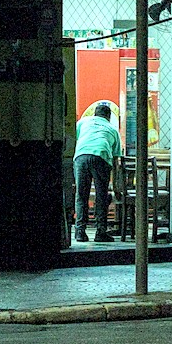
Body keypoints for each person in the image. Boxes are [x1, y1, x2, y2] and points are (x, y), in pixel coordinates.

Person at [73, 102, 122, 243]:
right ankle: (100, 232)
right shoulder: (112, 129)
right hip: (101, 156)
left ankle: (80, 232)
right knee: (101, 196)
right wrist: (116, 181)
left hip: (81, 156)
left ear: (95, 114)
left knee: (81, 196)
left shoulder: (83, 122)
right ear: (108, 117)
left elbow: (75, 138)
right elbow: (116, 157)